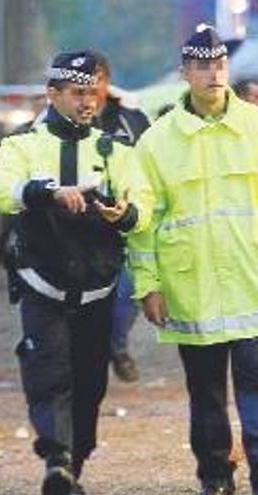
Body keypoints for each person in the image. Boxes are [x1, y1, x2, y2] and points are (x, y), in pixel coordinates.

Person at [131, 26, 258, 495]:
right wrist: (147, 284)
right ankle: (216, 473)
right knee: (207, 390)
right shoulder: (157, 143)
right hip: (190, 289)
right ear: (185, 73)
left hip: (256, 279)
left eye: (219, 63)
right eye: (202, 64)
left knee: (257, 377)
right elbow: (143, 222)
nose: (213, 72)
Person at [0, 51, 153, 495]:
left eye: (93, 93)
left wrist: (127, 212)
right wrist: (47, 192)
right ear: (54, 94)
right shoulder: (22, 143)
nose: (87, 103)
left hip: (98, 289)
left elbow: (144, 205)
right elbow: (4, 190)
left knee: (90, 385)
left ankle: (71, 467)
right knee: (48, 373)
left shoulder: (117, 149)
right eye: (78, 93)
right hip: (42, 284)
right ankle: (56, 461)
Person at [91, 49, 152, 383]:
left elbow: (152, 164)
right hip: (81, 225)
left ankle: (116, 345)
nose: (90, 89)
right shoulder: (58, 121)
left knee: (128, 289)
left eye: (97, 79)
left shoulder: (131, 119)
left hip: (128, 220)